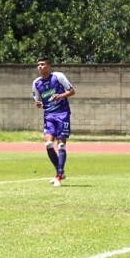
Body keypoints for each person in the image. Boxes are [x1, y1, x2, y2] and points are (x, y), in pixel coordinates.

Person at [32, 56, 75, 187]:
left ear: (49, 66)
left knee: (61, 145)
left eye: (43, 64)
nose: (40, 67)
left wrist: (61, 95)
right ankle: (60, 172)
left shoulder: (58, 77)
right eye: (38, 64)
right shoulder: (36, 83)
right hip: (49, 115)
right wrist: (38, 104)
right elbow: (37, 99)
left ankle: (59, 175)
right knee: (49, 144)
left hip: (62, 114)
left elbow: (72, 91)